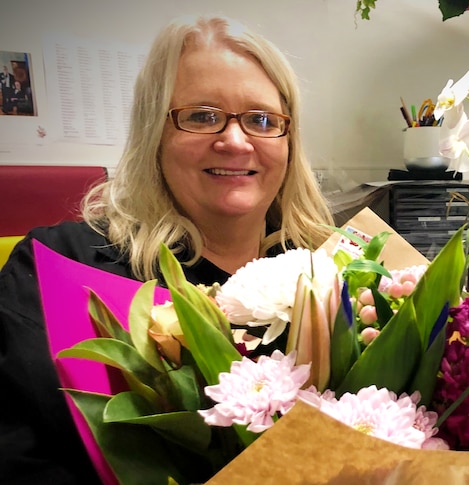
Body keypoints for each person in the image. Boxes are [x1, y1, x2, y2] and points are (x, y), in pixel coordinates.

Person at [0, 15, 333, 484]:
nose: (235, 142)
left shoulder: (331, 272)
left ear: (288, 139)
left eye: (261, 120)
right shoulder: (56, 266)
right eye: (201, 116)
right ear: (154, 135)